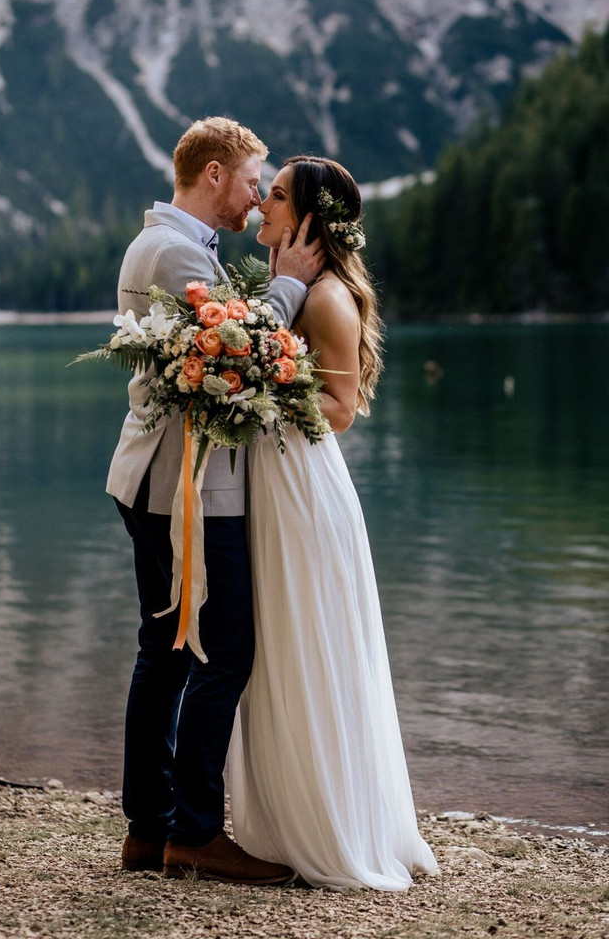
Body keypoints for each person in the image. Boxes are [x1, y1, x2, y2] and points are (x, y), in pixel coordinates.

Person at [106, 118, 324, 884]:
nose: (258, 196)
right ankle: (192, 831)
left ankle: (151, 829)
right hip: (184, 491)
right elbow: (240, 347)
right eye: (251, 179)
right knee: (221, 652)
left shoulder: (172, 245)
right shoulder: (169, 251)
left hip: (165, 481)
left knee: (165, 654)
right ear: (213, 176)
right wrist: (290, 285)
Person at [226, 156, 438, 890]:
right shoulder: (299, 291)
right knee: (280, 648)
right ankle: (289, 818)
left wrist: (258, 378)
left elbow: (341, 412)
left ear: (309, 218)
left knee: (304, 643)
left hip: (302, 490)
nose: (262, 205)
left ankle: (329, 826)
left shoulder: (327, 300)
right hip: (280, 478)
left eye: (277, 196)